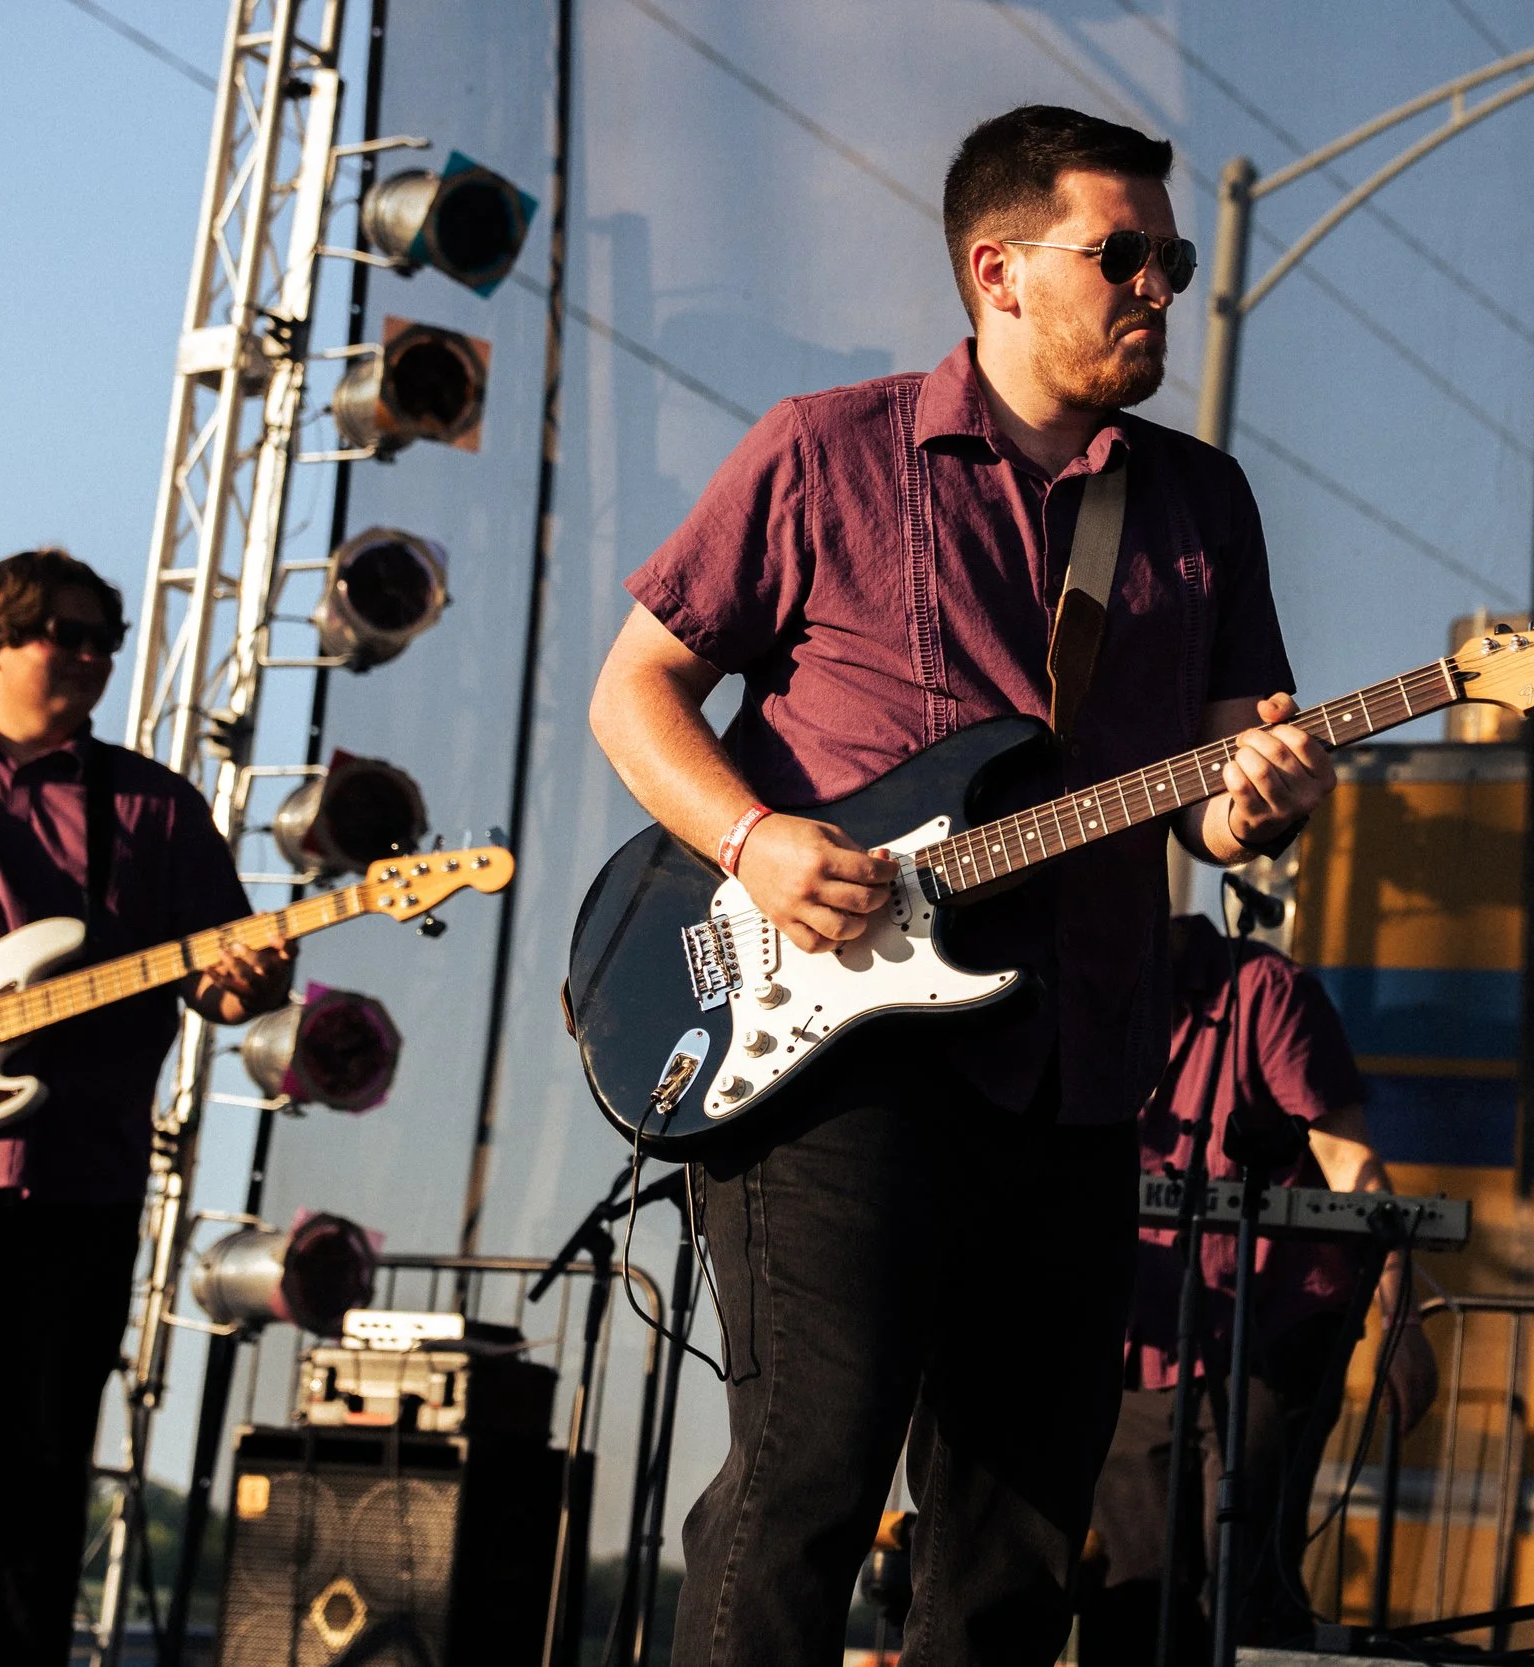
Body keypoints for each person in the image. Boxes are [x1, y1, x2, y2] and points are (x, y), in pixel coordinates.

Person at [587, 105, 1336, 1666]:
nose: (1159, 286)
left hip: (1079, 1061)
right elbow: (633, 693)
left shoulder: (1201, 504)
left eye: (1173, 259)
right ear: (997, 268)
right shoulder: (826, 450)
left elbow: (1217, 799)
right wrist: (756, 839)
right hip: (828, 1055)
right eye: (1121, 253)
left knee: (1014, 1533)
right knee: (807, 1478)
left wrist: (1265, 799)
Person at [0, 548, 293, 1665]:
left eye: (103, 639)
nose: (88, 655)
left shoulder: (154, 808)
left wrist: (255, 978)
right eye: (60, 633)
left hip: (76, 1181)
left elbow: (226, 980)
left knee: (39, 1480)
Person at [1080, 913, 1439, 1661]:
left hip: (1271, 1332)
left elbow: (1350, 1167)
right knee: (1134, 1596)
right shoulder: (1087, 998)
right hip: (1138, 1339)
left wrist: (1399, 1317)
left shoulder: (1265, 990)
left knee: (1242, 1593)